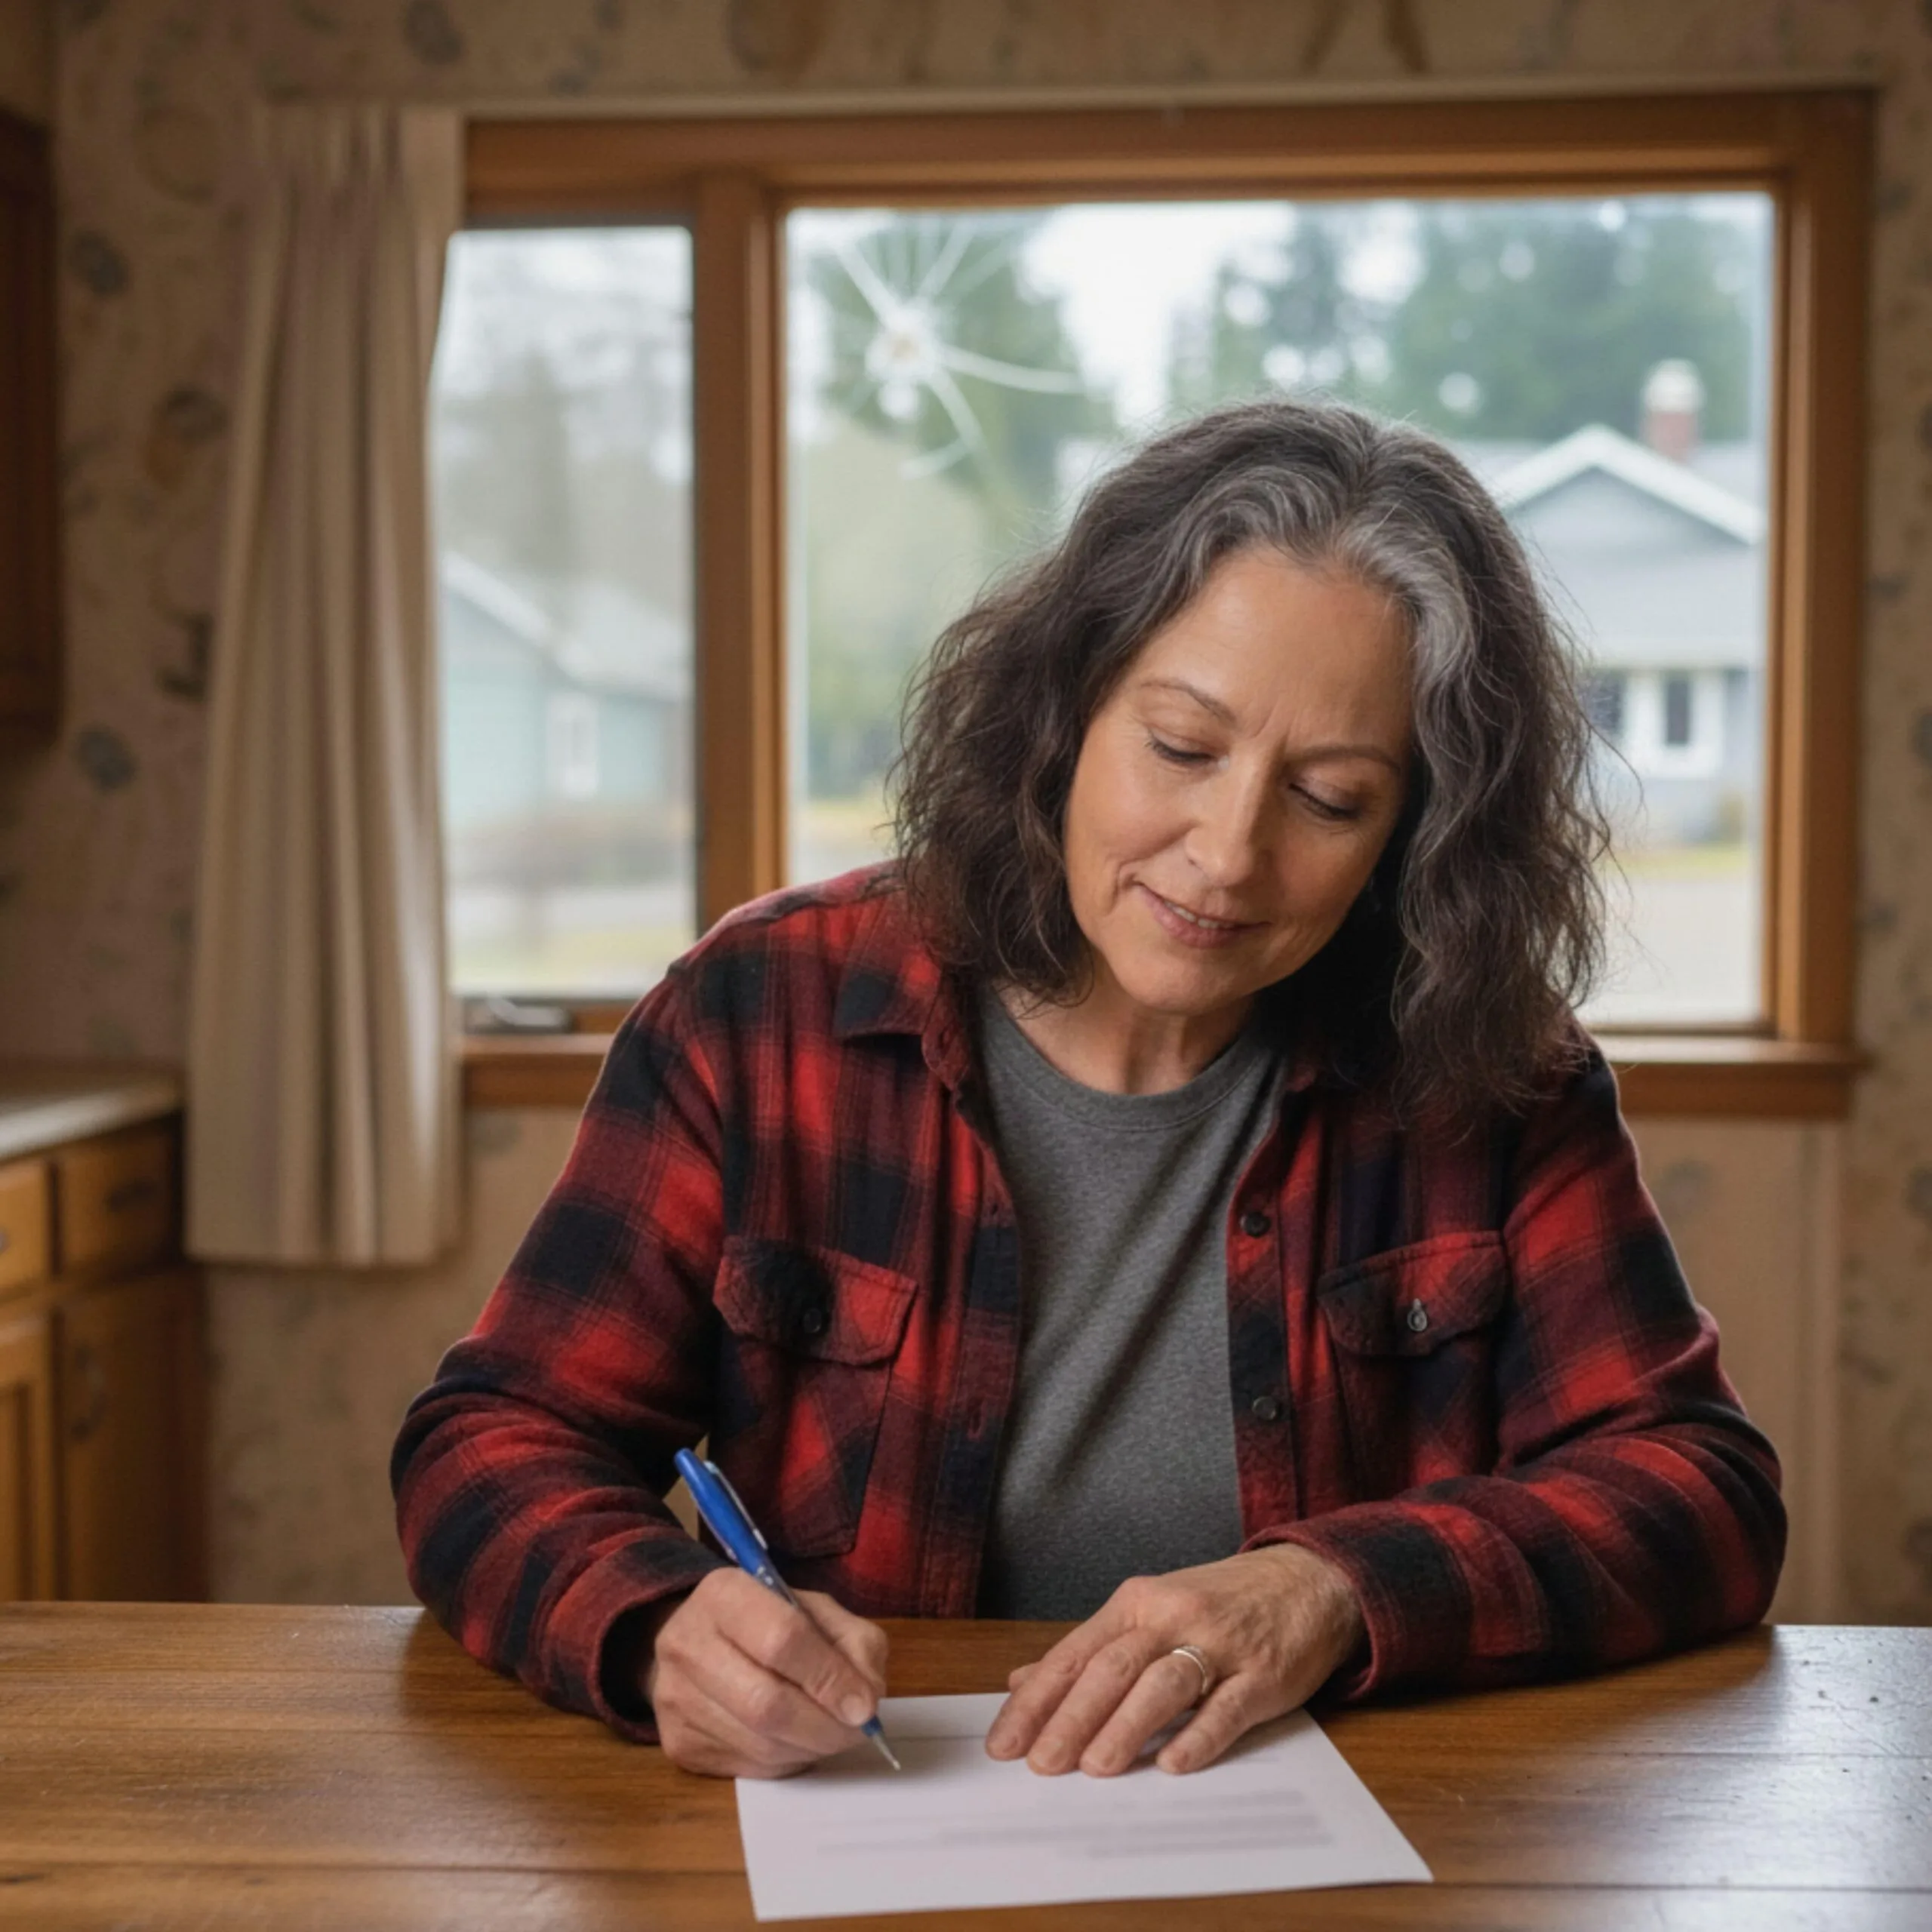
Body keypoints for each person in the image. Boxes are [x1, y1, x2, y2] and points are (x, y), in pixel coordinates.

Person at [392, 399, 1784, 1783]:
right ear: (1063, 719)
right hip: (871, 1823)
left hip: (1343, 1851)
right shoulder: (762, 1014)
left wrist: (1335, 1590)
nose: (1229, 856)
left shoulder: (1490, 1072)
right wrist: (655, 1627)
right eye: (1181, 749)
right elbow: (490, 1443)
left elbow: (1703, 1492)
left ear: (1418, 833)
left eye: (1333, 798)